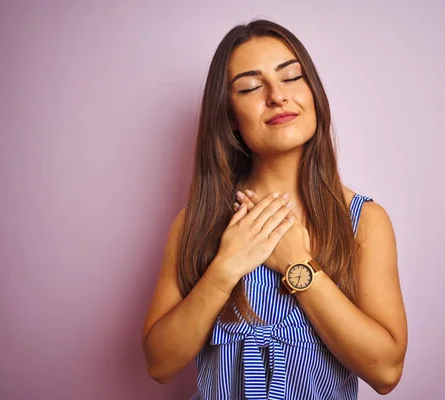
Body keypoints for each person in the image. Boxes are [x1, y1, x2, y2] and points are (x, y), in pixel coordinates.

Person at [142, 19, 407, 399]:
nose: (277, 96)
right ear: (230, 117)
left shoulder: (364, 222)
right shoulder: (195, 223)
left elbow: (386, 371)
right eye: (250, 87)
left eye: (292, 77)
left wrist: (298, 265)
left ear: (313, 93)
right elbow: (159, 363)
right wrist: (226, 267)